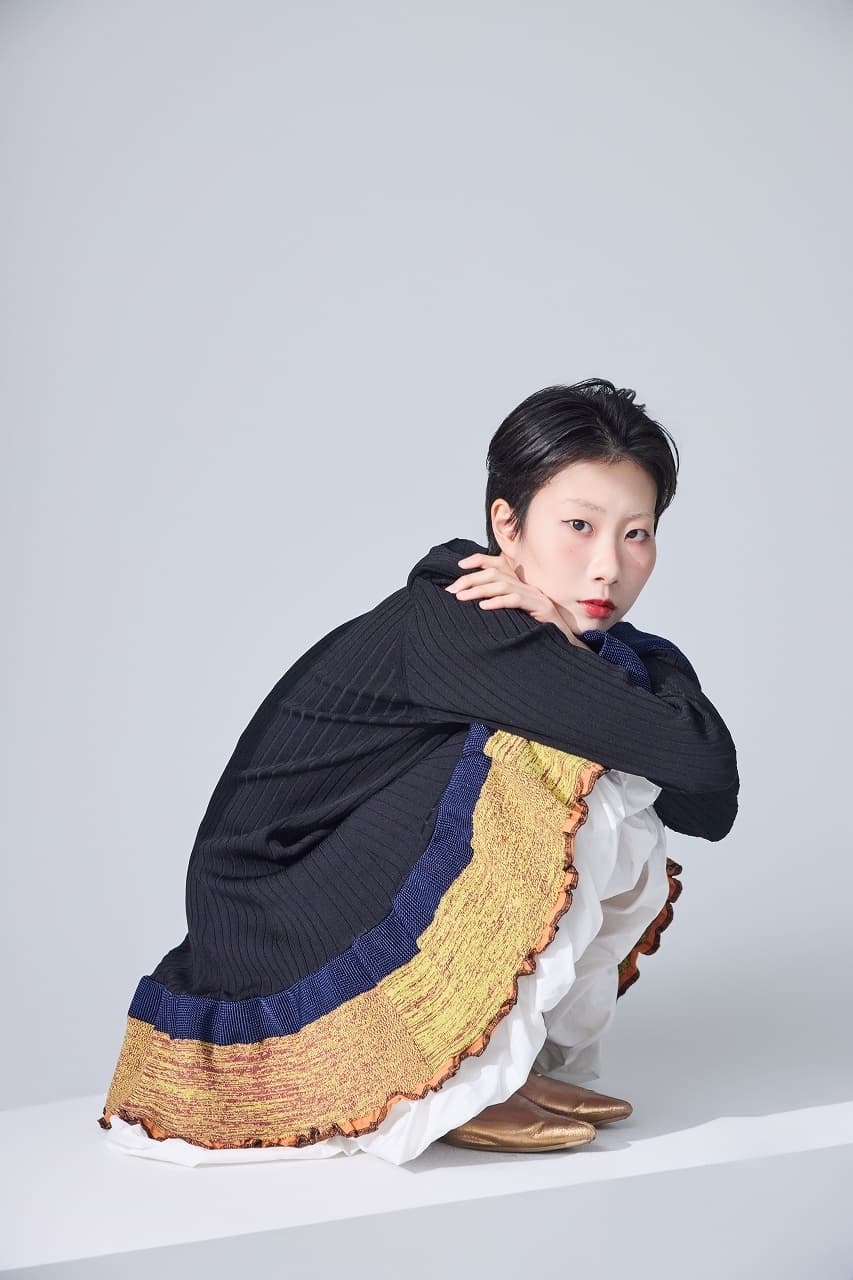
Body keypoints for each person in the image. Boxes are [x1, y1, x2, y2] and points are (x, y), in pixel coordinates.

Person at [98, 378, 739, 1165]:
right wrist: (586, 661)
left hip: (322, 887)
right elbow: (694, 757)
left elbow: (706, 799)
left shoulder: (579, 642)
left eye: (635, 533)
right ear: (507, 524)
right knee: (545, 760)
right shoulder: (466, 616)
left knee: (592, 753)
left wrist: (576, 645)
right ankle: (455, 1083)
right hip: (269, 920)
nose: (606, 566)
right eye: (578, 526)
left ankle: (502, 1066)